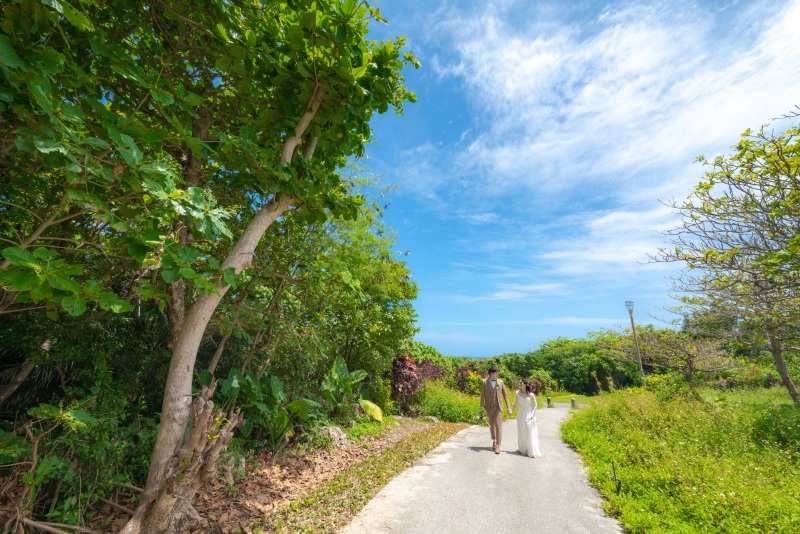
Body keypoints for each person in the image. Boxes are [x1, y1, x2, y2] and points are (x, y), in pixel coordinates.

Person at [479, 365, 511, 454]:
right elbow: (482, 396)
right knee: (491, 425)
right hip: (489, 407)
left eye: (498, 372)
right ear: (492, 373)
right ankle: (494, 440)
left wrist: (509, 407)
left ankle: (498, 445)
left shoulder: (500, 382)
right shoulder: (484, 382)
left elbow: (505, 395)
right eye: (496, 373)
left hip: (498, 407)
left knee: (498, 426)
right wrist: (481, 407)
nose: (498, 374)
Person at [510, 378, 542, 458]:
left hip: (529, 414)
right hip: (520, 413)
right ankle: (522, 449)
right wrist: (511, 410)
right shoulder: (517, 393)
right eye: (519, 382)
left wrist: (532, 414)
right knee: (522, 430)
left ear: (525, 384)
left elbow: (535, 406)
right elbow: (515, 403)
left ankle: (530, 449)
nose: (520, 384)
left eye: (521, 383)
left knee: (529, 431)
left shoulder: (531, 395)